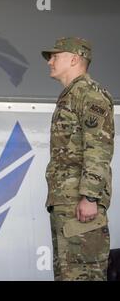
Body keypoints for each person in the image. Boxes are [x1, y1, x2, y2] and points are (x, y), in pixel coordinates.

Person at [42, 37, 114, 281]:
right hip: (66, 204)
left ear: (74, 58)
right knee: (68, 275)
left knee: (84, 275)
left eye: (55, 56)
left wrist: (90, 196)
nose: (50, 62)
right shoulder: (71, 95)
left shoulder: (90, 95)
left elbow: (99, 147)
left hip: (81, 206)